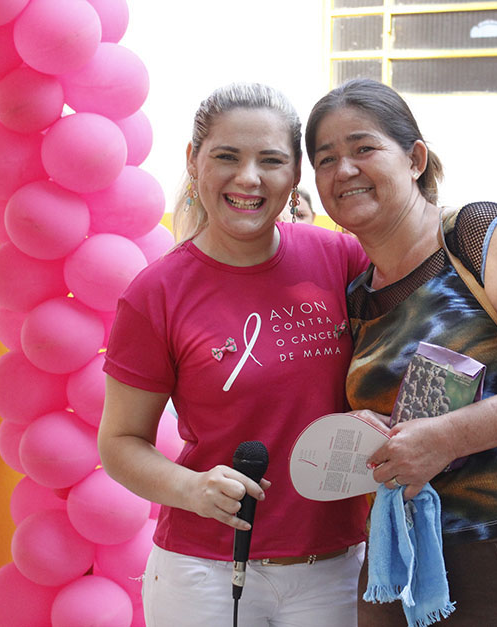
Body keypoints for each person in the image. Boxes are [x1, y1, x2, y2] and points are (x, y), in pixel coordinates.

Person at [304, 79, 497, 625]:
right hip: (395, 563)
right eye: (326, 158)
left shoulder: (480, 236)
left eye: (363, 148)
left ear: (415, 159)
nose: (344, 170)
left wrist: (447, 437)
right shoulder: (358, 293)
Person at [97, 83, 371, 626]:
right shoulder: (157, 292)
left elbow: (430, 264)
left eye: (271, 160)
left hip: (335, 568)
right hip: (204, 575)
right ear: (194, 161)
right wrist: (190, 488)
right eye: (227, 156)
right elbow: (120, 442)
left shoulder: (342, 257)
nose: (249, 178)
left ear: (295, 176)